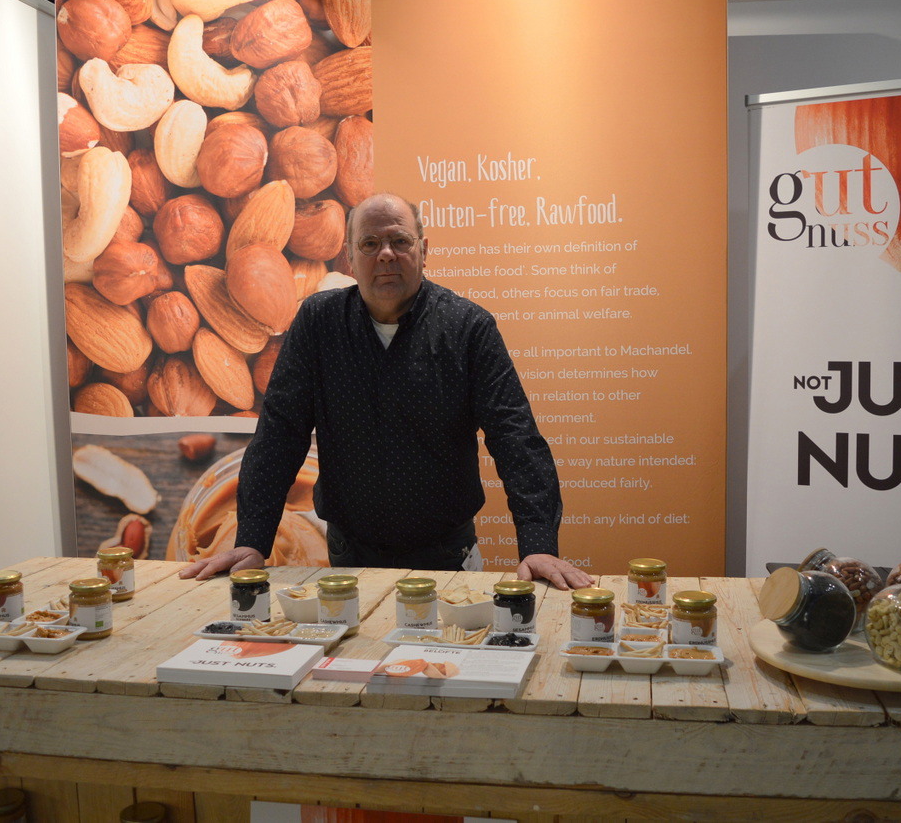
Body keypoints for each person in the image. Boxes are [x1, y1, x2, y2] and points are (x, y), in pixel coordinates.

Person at [180, 193, 593, 590]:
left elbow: (515, 437)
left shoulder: (468, 327)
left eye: (400, 241)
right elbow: (280, 434)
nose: (386, 254)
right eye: (370, 243)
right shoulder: (318, 324)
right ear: (349, 256)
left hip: (448, 557)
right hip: (348, 557)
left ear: (424, 250)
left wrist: (538, 545)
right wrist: (252, 539)